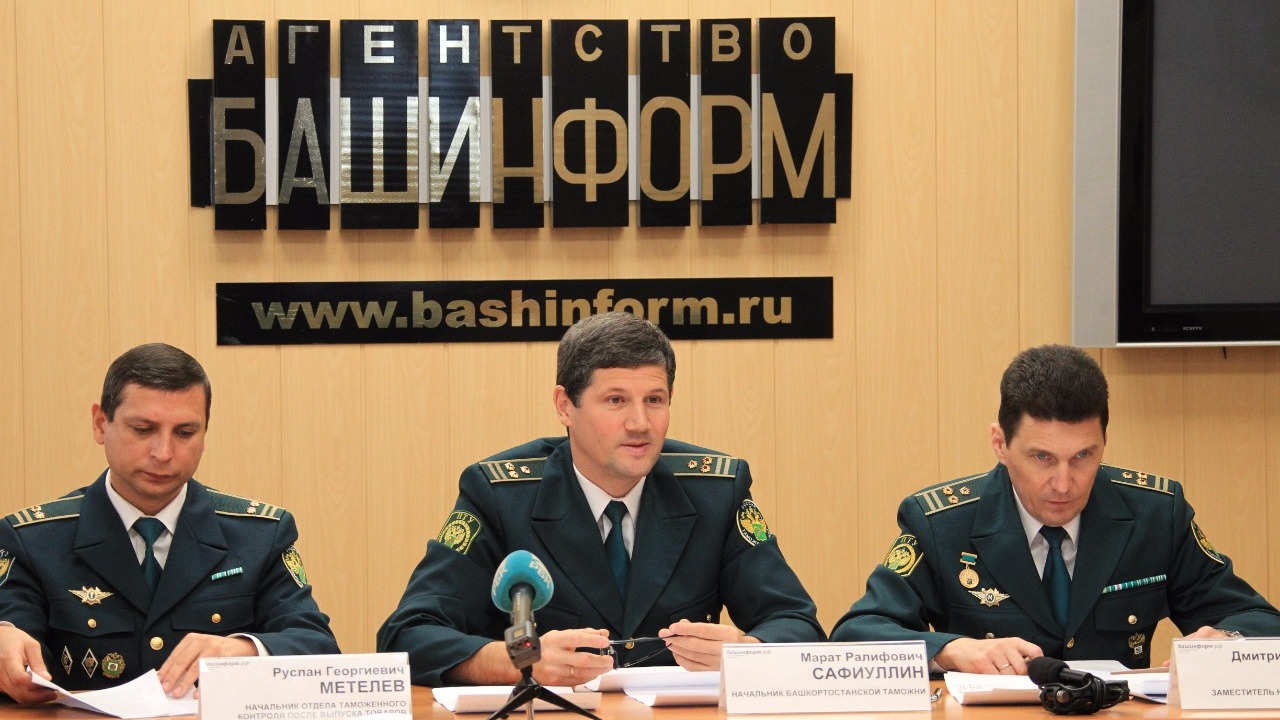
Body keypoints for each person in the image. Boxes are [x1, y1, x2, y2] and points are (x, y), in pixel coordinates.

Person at [378, 312, 823, 687]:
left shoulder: (716, 491)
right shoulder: (499, 495)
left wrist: (746, 652)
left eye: (655, 400)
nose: (640, 423)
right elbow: (408, 636)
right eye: (615, 400)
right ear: (564, 406)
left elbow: (798, 625)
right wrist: (521, 658)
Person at [830, 344, 1280, 674]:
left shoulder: (1155, 515)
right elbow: (857, 633)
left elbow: (1262, 622)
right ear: (1000, 444)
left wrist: (1228, 640)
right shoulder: (942, 524)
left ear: (1104, 442)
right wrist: (950, 650)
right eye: (1042, 457)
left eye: (1083, 456)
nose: (1064, 484)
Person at [0, 343, 339, 703]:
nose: (163, 453)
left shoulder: (258, 535)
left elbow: (317, 646)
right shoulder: (35, 540)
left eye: (185, 433)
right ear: (101, 424)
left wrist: (245, 650)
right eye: (143, 429)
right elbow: (14, 639)